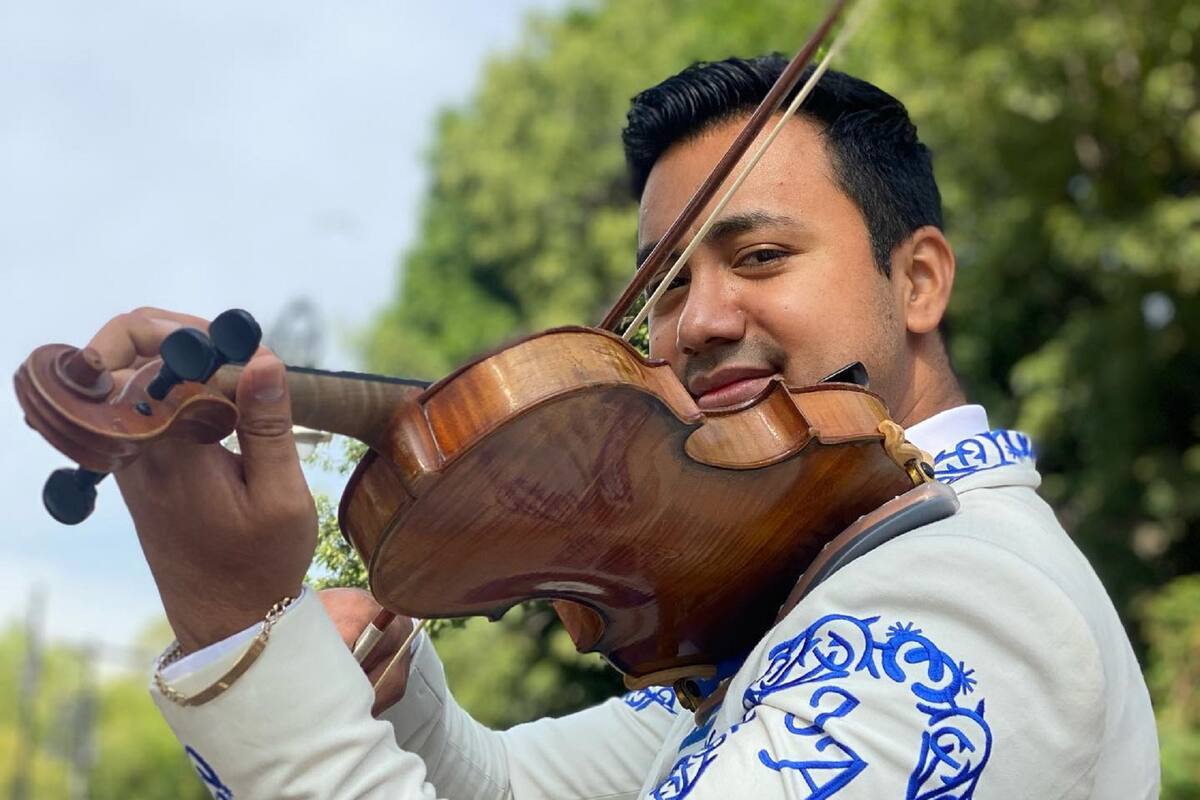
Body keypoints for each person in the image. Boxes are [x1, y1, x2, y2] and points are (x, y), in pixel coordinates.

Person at [89, 57, 1158, 798]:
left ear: (918, 278)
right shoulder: (791, 607)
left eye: (760, 256)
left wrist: (239, 621)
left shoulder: (964, 597)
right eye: (668, 285)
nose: (697, 323)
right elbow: (505, 786)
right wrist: (399, 701)